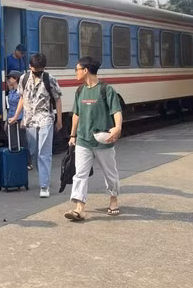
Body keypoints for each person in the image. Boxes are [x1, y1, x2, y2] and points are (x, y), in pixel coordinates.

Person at [64, 56, 123, 221]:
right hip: (83, 140)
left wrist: (117, 127)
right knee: (80, 174)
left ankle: (113, 200)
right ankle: (79, 208)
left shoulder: (106, 89)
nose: (75, 72)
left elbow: (116, 111)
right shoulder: (80, 90)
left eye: (76, 69)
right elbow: (76, 114)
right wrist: (72, 135)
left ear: (85, 70)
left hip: (103, 140)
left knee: (110, 173)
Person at [9, 53, 63, 197]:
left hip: (46, 119)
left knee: (44, 153)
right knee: (33, 151)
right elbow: (22, 98)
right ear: (30, 67)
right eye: (35, 70)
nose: (37, 73)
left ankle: (44, 186)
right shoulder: (24, 79)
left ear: (44, 68)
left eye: (40, 70)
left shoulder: (49, 79)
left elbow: (57, 99)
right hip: (29, 121)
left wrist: (59, 120)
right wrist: (16, 117)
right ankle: (43, 177)